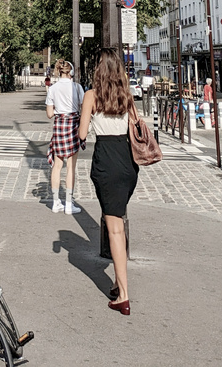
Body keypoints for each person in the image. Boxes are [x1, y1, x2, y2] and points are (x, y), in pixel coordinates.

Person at [79, 48, 138, 317]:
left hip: (106, 161)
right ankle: (118, 281)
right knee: (119, 222)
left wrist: (91, 120)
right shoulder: (127, 96)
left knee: (114, 228)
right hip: (127, 163)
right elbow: (136, 127)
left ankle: (123, 297)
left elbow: (82, 133)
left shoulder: (92, 96)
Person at [45, 59, 84, 215]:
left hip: (60, 124)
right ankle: (69, 204)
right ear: (71, 72)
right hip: (73, 124)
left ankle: (56, 203)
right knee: (71, 167)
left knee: (57, 165)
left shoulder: (53, 89)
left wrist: (58, 112)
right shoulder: (77, 87)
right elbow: (83, 107)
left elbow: (49, 114)